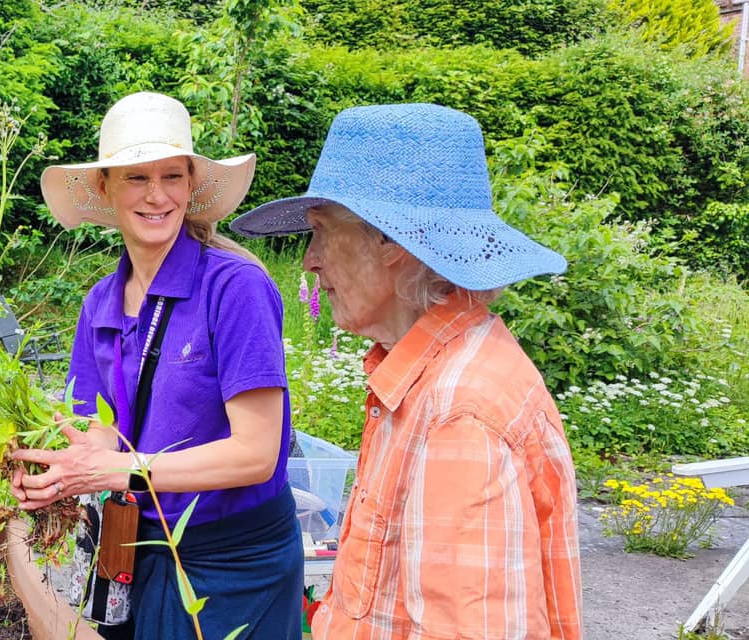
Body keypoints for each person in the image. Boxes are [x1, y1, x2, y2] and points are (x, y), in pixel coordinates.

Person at [232, 103, 582, 639]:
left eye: (321, 231)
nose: (310, 259)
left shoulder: (459, 413)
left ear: (391, 240)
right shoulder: (428, 376)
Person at [9, 92, 304, 640]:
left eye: (173, 176)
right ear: (104, 188)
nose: (157, 196)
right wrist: (63, 472)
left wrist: (123, 471)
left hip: (235, 560)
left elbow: (258, 454)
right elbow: (103, 433)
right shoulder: (100, 301)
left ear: (192, 186)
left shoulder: (234, 287)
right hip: (140, 546)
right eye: (136, 178)